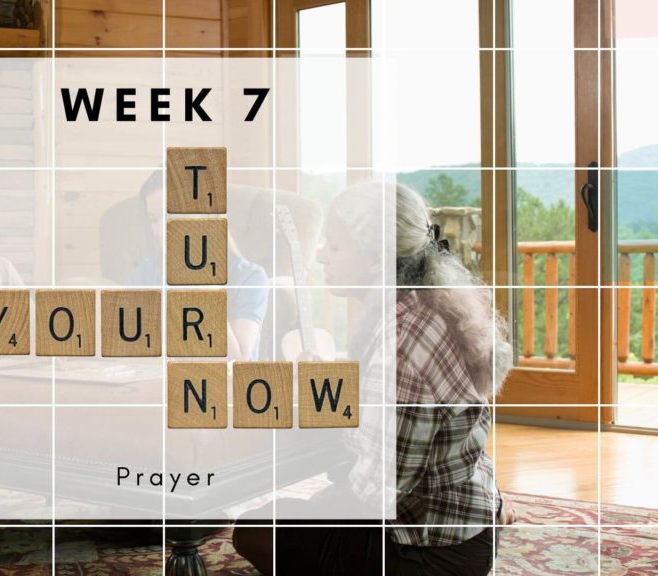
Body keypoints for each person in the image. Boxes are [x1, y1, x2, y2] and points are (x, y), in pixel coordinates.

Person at [233, 182, 515, 575]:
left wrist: (333, 421)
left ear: (374, 260)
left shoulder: (398, 343)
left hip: (430, 552)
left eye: (334, 246)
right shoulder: (425, 303)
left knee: (255, 529)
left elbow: (377, 491)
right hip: (468, 523)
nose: (320, 256)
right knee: (306, 511)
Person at [130, 171, 269, 360]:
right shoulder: (148, 273)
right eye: (154, 220)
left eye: (170, 216)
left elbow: (237, 363)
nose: (161, 231)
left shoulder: (249, 277)